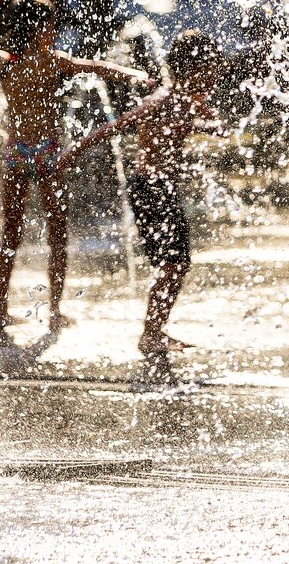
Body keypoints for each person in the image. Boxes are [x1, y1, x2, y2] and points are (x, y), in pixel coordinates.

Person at [0, 0, 152, 343]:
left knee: (11, 234)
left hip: (16, 153)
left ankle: (0, 312)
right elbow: (97, 67)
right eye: (50, 24)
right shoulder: (52, 60)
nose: (54, 30)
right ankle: (53, 310)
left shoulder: (9, 63)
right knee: (57, 232)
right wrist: (132, 74)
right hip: (48, 153)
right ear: (39, 29)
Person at [56, 31, 223, 357]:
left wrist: (200, 110)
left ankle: (154, 331)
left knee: (174, 264)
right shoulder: (164, 99)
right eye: (211, 69)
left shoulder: (184, 99)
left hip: (160, 188)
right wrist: (71, 153)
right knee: (173, 264)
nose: (215, 76)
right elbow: (115, 126)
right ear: (195, 69)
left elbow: (220, 127)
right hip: (151, 188)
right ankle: (150, 334)